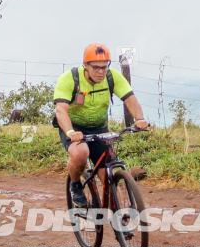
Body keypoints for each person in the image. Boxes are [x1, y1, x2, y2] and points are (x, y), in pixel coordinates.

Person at [53, 43, 149, 207]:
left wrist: (139, 119)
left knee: (109, 177)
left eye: (104, 67)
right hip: (73, 127)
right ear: (85, 65)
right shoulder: (70, 78)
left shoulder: (112, 77)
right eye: (96, 67)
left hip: (99, 127)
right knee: (80, 153)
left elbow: (129, 98)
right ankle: (75, 185)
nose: (101, 72)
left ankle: (118, 217)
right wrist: (70, 132)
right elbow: (60, 110)